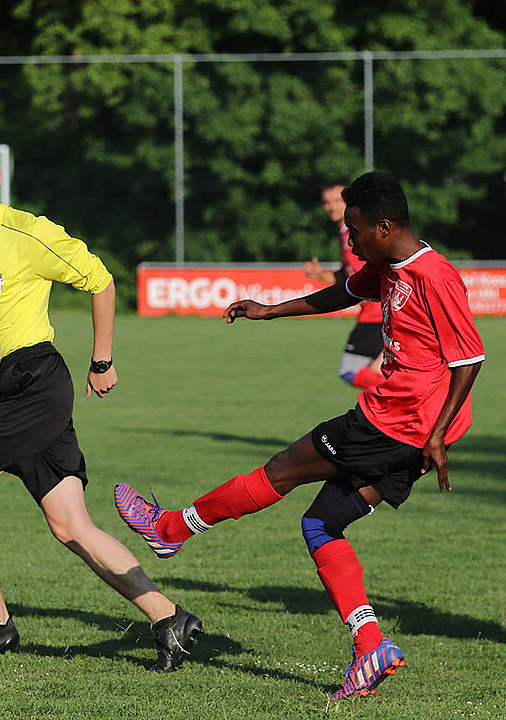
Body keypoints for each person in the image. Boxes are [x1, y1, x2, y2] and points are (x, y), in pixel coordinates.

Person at [115, 171, 485, 699]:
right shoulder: (385, 265)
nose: (349, 238)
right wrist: (269, 311)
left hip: (394, 425)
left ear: (384, 226)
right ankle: (371, 646)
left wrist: (437, 434)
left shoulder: (435, 275)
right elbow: (339, 293)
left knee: (283, 470)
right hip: (412, 437)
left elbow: (470, 359)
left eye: (355, 228)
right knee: (322, 524)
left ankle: (171, 530)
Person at [0, 136, 201, 672]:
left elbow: (102, 281)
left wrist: (102, 360)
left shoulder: (30, 232)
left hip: (38, 379)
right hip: (12, 386)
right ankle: (169, 619)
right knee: (72, 526)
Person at [303, 181, 385, 389]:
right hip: (376, 313)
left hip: (376, 314)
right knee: (375, 372)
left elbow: (369, 275)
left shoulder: (355, 233)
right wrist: (320, 273)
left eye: (338, 201)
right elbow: (347, 276)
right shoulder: (345, 233)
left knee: (351, 371)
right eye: (327, 202)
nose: (331, 207)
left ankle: (404, 402)